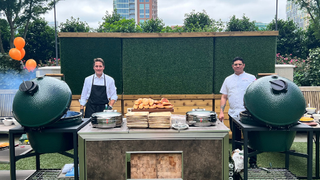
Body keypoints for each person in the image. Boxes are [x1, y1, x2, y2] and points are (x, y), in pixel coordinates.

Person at [219, 57, 257, 168]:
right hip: (233, 114)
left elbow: (256, 94)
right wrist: (221, 111)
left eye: (240, 64)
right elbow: (224, 96)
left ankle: (252, 162)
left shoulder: (251, 78)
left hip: (248, 114)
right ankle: (238, 164)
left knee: (251, 139)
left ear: (244, 65)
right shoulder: (228, 79)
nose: (237, 66)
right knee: (236, 139)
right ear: (232, 66)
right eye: (235, 64)